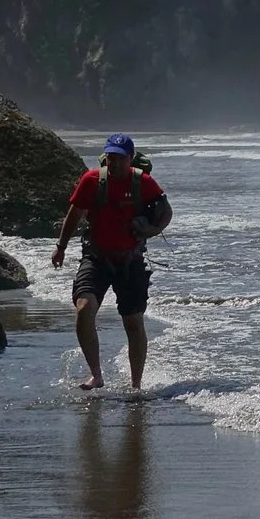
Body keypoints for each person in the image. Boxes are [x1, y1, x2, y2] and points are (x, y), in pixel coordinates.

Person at [50, 133, 168, 391]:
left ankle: (136, 385)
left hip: (130, 260)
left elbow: (166, 212)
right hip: (97, 257)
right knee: (84, 309)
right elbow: (75, 213)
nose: (114, 163)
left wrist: (150, 230)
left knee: (133, 321)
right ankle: (96, 374)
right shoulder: (92, 180)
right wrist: (60, 247)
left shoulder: (144, 183)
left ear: (130, 159)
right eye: (111, 158)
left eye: (120, 158)